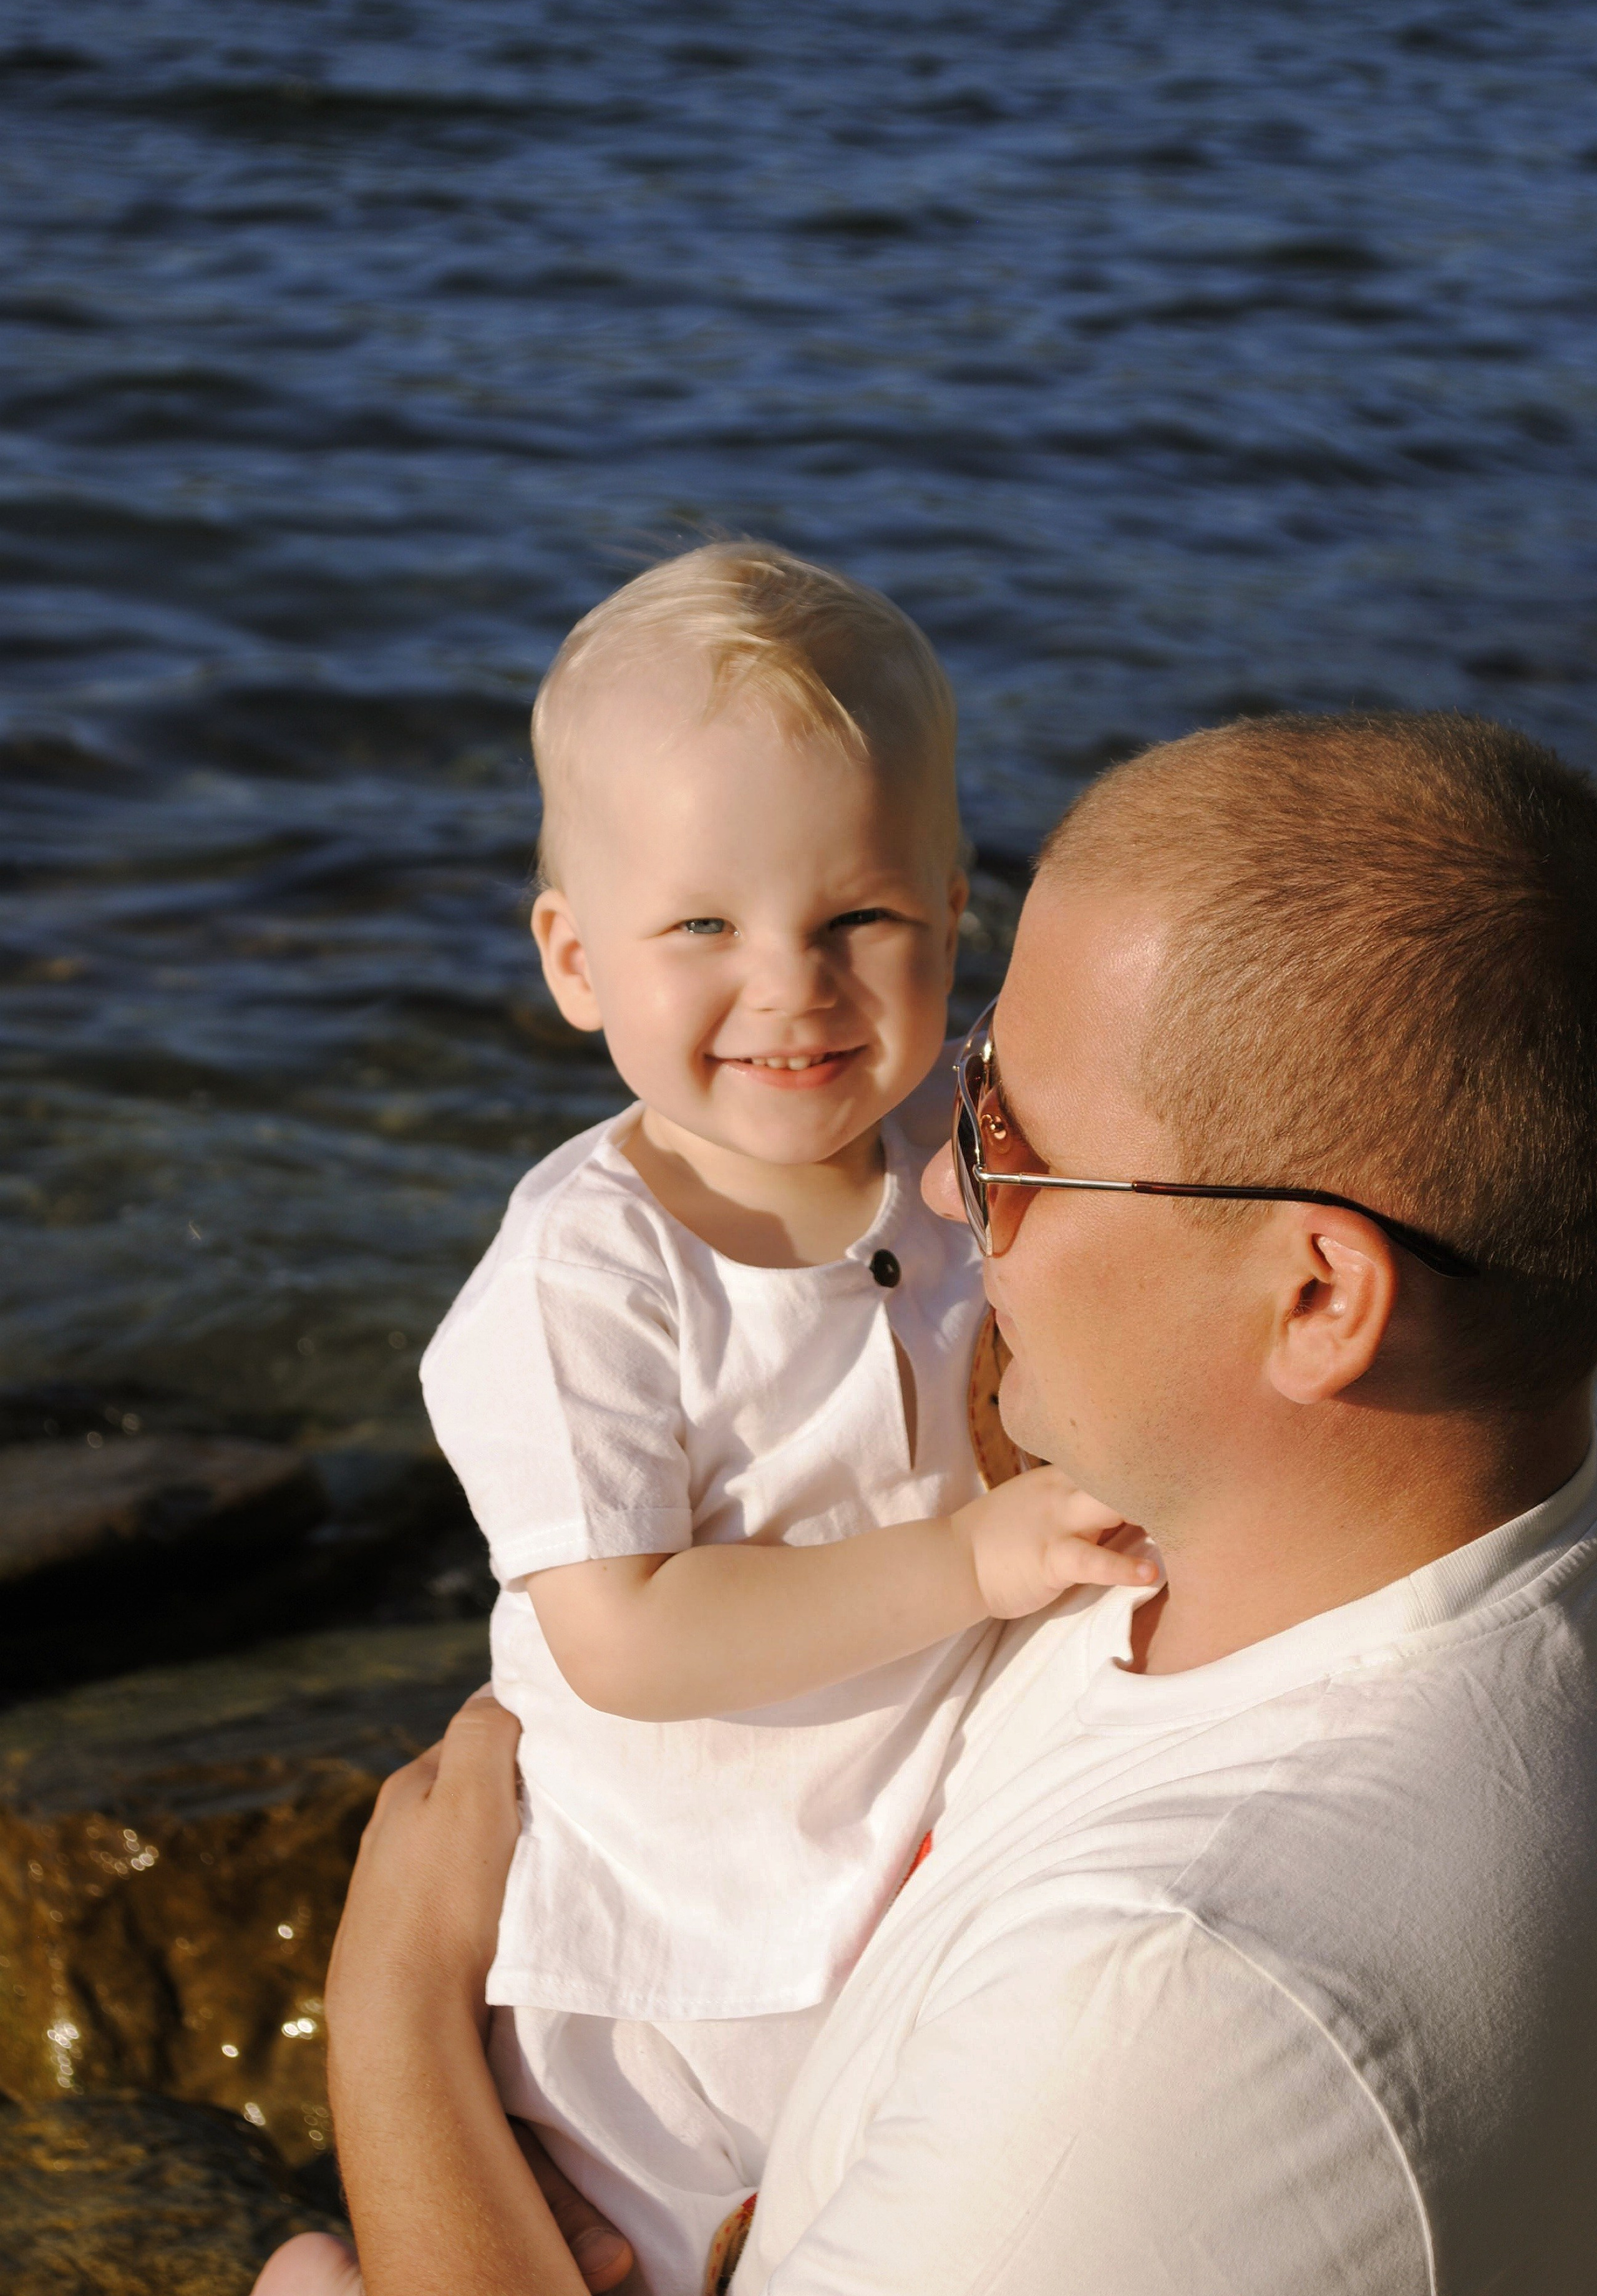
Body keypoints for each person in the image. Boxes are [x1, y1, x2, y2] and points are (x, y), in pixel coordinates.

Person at [268, 709, 1597, 2294]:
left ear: (1318, 1301)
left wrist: (394, 2005)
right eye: (966, 1082)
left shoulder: (1167, 2013)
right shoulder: (1359, 1537)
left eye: (1011, 1137)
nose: (944, 1186)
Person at [255, 544, 1152, 2296]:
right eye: (702, 929)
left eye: (857, 921)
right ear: (576, 959)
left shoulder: (952, 1154)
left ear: (955, 917)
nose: (792, 986)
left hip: (874, 1887)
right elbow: (627, 1636)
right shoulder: (587, 1276)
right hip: (655, 1967)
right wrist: (970, 1555)